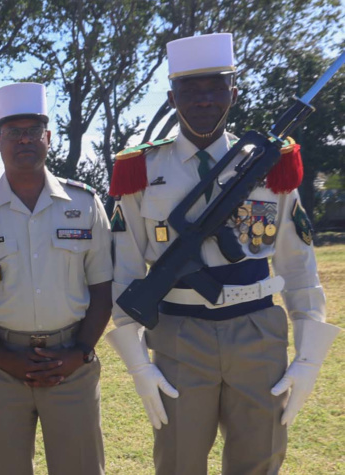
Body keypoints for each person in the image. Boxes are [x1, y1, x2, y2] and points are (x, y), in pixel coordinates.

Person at [106, 33, 340, 475]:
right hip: (177, 335)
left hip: (257, 334)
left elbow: (299, 268)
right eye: (190, 90)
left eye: (216, 87)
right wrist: (138, 364)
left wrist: (308, 359)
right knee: (178, 462)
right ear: (172, 97)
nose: (204, 100)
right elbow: (127, 272)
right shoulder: (141, 169)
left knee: (259, 459)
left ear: (234, 92)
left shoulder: (270, 164)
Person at [0, 82, 112, 475]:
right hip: (0, 366)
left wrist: (81, 351)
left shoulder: (84, 204)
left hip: (71, 362)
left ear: (48, 138)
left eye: (33, 130)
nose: (24, 140)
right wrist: (2, 358)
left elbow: (103, 289)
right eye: (13, 132)